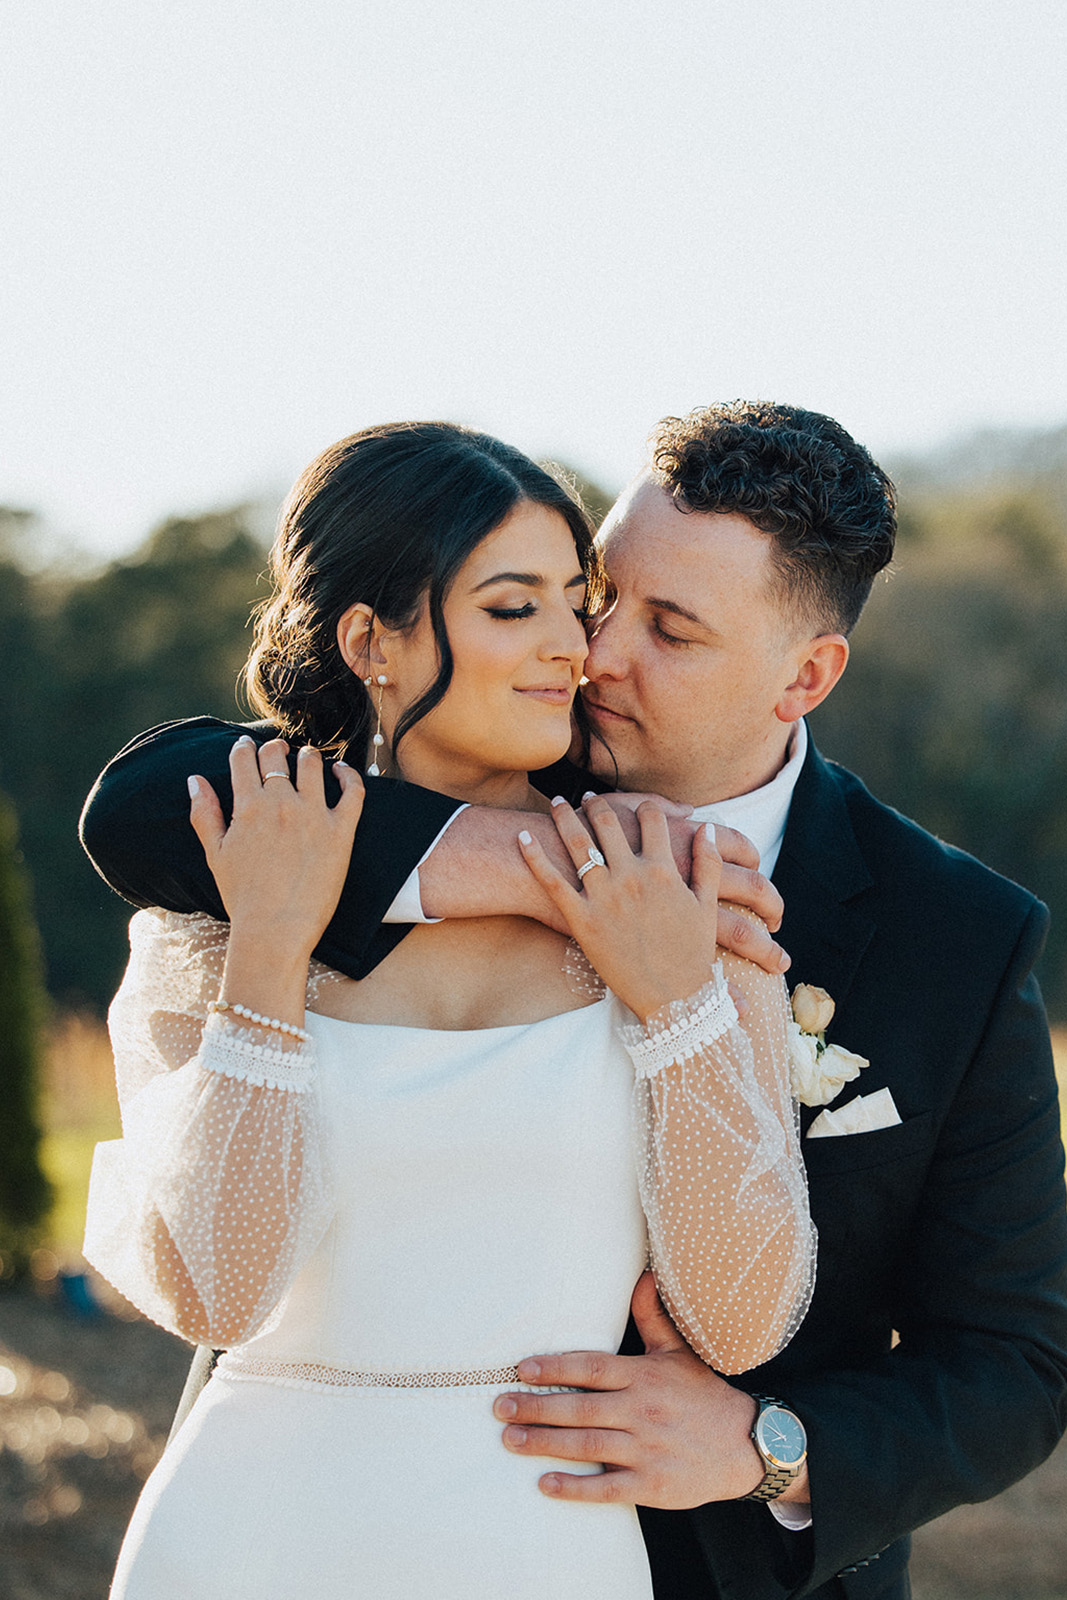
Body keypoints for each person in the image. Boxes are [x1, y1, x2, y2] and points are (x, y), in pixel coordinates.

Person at [82, 402, 1067, 1599]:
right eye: (598, 597)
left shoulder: (951, 939)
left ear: (803, 675)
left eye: (671, 629)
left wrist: (765, 1448)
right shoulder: (510, 732)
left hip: (687, 1559)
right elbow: (146, 800)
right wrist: (518, 866)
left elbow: (1012, 1360)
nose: (593, 652)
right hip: (280, 1512)